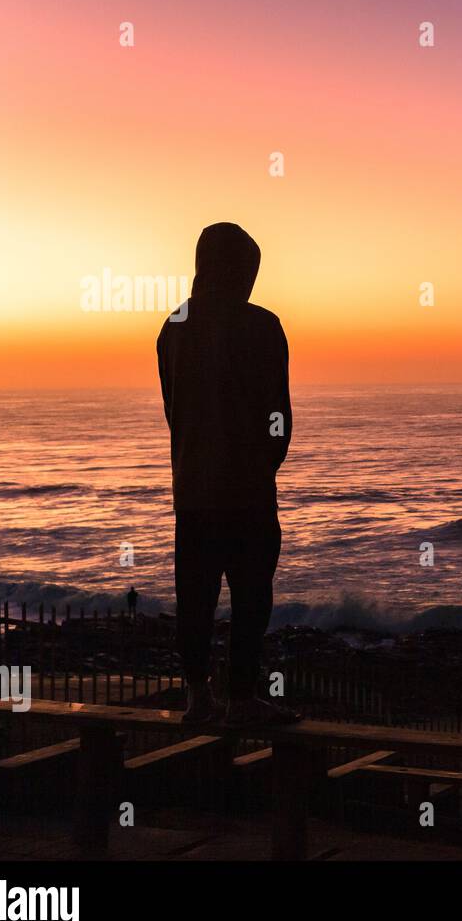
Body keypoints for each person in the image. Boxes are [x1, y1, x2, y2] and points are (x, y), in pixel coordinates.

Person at [157, 222, 300, 726]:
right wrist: (265, 463)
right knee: (251, 595)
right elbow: (278, 416)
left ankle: (197, 697)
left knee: (194, 595)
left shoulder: (173, 326)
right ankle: (241, 697)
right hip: (247, 491)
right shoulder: (262, 326)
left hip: (192, 489)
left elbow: (174, 410)